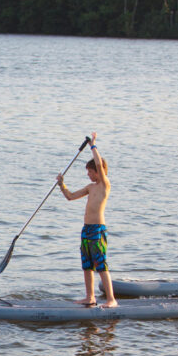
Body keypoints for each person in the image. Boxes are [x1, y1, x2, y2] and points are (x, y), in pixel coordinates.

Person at [56, 132, 118, 308]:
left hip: (98, 229)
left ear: (98, 172)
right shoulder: (90, 188)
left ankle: (111, 299)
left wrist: (93, 146)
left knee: (100, 263)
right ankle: (90, 297)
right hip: (87, 229)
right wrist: (62, 184)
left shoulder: (105, 185)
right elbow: (70, 196)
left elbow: (98, 163)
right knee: (87, 264)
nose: (88, 175)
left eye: (90, 172)